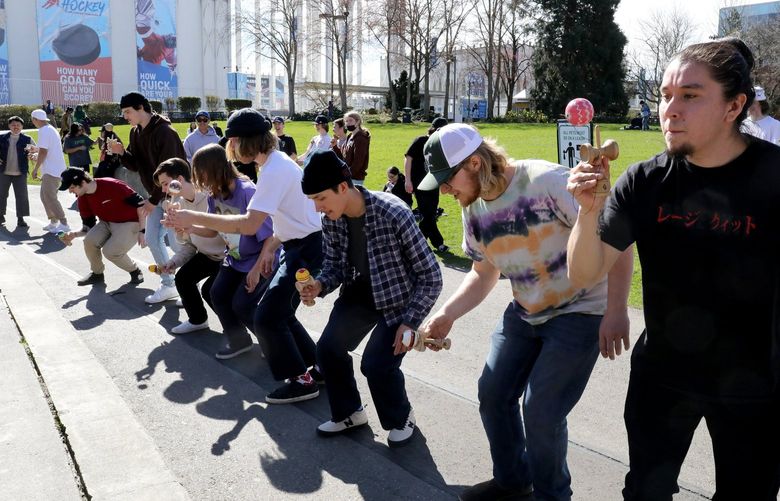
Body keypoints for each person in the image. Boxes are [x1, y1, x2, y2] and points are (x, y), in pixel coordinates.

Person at [566, 38, 780, 501]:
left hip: (756, 384)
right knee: (645, 490)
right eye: (665, 95)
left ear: (734, 105)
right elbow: (584, 273)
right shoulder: (645, 181)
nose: (670, 110)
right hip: (663, 374)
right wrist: (586, 211)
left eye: (690, 95)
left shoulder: (774, 177)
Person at [418, 124, 633, 501]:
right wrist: (447, 314)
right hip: (525, 310)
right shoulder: (474, 211)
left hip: (580, 310)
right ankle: (513, 481)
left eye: (448, 180)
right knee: (493, 392)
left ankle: (553, 496)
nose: (446, 191)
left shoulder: (547, 181)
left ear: (474, 163)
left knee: (541, 412)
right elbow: (484, 272)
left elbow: (616, 237)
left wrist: (617, 309)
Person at [167, 108, 324, 403]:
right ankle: (319, 368)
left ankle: (303, 381)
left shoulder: (273, 170)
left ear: (244, 141)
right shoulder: (272, 166)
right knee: (279, 314)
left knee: (266, 316)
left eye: (233, 142)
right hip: (296, 245)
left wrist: (192, 216)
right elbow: (290, 216)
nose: (231, 149)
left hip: (306, 248)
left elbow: (250, 224)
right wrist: (273, 245)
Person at [299, 149, 442, 445]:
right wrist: (319, 285)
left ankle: (401, 417)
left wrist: (411, 321)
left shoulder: (393, 212)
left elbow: (431, 276)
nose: (317, 208)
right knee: (327, 349)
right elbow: (335, 266)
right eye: (313, 201)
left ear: (342, 187)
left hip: (399, 300)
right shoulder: (332, 218)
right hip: (359, 293)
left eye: (320, 199)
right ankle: (349, 412)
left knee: (376, 364)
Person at [185, 144, 277, 357]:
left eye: (202, 173)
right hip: (235, 258)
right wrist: (189, 227)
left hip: (258, 259)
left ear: (216, 168)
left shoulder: (247, 192)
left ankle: (272, 342)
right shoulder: (214, 195)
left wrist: (256, 270)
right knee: (216, 293)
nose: (200, 179)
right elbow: (213, 230)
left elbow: (270, 236)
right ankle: (239, 341)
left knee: (242, 304)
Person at [109, 91, 187, 305]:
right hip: (156, 197)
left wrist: (153, 200)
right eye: (123, 112)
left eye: (128, 111)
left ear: (141, 108)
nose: (125, 116)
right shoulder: (135, 132)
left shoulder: (165, 132)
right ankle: (169, 284)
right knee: (153, 239)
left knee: (178, 243)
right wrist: (121, 152)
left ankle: (191, 287)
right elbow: (135, 165)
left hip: (173, 196)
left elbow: (173, 172)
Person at [154, 157, 225, 334]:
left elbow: (217, 231)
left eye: (165, 184)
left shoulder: (210, 195)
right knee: (183, 278)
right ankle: (198, 320)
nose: (163, 190)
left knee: (211, 291)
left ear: (178, 181)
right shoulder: (180, 204)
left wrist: (187, 226)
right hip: (207, 255)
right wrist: (174, 262)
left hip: (227, 256)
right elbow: (190, 245)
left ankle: (236, 328)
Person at [58, 168, 145, 287]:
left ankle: (135, 271)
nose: (70, 191)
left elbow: (141, 204)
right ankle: (97, 274)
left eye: (72, 187)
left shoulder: (112, 185)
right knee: (89, 241)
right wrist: (73, 235)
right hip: (107, 222)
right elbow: (88, 227)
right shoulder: (82, 197)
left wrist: (143, 231)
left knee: (110, 252)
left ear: (83, 182)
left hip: (130, 222)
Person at [405, 116, 448, 252]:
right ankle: (436, 243)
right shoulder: (421, 141)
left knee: (430, 214)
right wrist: (407, 180)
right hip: (419, 183)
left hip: (433, 183)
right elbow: (408, 159)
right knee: (428, 214)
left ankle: (419, 243)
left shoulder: (439, 144)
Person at [30, 109, 70, 234]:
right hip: (53, 169)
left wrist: (35, 169)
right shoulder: (50, 129)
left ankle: (64, 223)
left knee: (50, 197)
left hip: (52, 170)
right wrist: (36, 149)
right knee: (45, 196)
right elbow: (45, 148)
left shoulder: (44, 130)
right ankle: (54, 222)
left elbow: (43, 152)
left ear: (35, 120)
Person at [0, 116, 34, 229]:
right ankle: (0, 216)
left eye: (18, 125)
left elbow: (35, 151)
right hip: (3, 171)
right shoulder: (2, 138)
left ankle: (21, 218)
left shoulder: (27, 139)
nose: (16, 127)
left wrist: (32, 155)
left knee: (22, 196)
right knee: (1, 195)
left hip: (20, 172)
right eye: (13, 125)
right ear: (9, 126)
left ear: (22, 127)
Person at [335, 111, 370, 185]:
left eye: (350, 120)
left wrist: (347, 175)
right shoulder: (350, 136)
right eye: (346, 121)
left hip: (355, 178)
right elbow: (343, 156)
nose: (348, 123)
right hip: (347, 176)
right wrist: (335, 146)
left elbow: (358, 162)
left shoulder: (361, 138)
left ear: (358, 122)